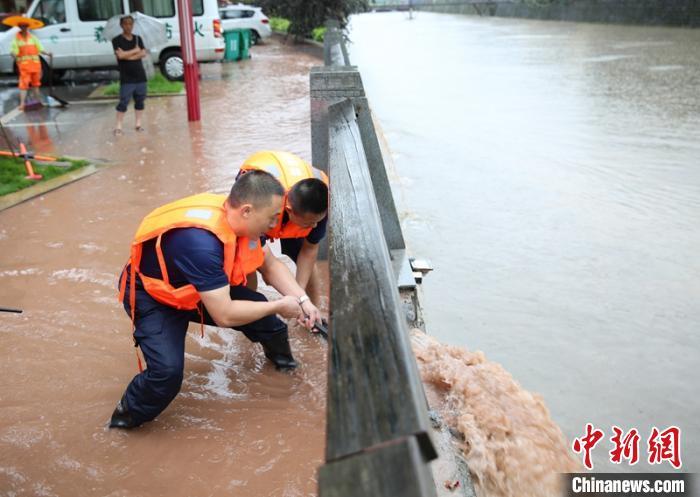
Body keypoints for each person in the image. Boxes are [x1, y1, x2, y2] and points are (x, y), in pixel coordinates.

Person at [110, 170, 322, 429]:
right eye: (273, 218)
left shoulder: (242, 221)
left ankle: (287, 370)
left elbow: (269, 265)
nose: (274, 226)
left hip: (199, 288)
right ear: (247, 211)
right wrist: (279, 305)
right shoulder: (201, 245)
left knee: (270, 324)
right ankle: (124, 420)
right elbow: (224, 314)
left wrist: (302, 301)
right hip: (155, 297)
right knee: (166, 374)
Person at [237, 151, 328, 303]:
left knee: (306, 261)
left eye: (317, 221)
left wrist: (300, 296)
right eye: (308, 223)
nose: (314, 226)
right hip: (259, 194)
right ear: (289, 210)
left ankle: (316, 309)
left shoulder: (320, 205)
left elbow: (309, 250)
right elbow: (268, 264)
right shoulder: (259, 206)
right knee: (248, 264)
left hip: (296, 199)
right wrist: (288, 291)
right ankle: (250, 306)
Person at [111, 15, 147, 135]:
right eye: (125, 24)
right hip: (126, 77)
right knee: (123, 101)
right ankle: (118, 126)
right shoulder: (116, 40)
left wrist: (128, 55)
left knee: (140, 100)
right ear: (121, 25)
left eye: (130, 24)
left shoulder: (138, 39)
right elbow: (120, 56)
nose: (128, 26)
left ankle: (138, 125)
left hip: (140, 75)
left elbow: (143, 53)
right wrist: (135, 51)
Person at [8, 18, 51, 111]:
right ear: (19, 27)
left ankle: (39, 102)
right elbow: (14, 51)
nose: (24, 28)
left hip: (35, 65)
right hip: (24, 66)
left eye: (25, 26)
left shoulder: (33, 38)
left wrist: (47, 53)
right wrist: (13, 54)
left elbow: (40, 48)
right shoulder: (16, 39)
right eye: (22, 26)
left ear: (27, 27)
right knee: (24, 85)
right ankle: (22, 104)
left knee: (36, 85)